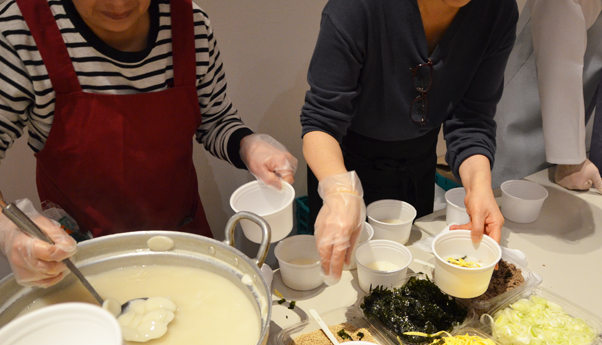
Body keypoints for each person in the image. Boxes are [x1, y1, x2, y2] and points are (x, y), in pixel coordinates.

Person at [0, 0, 297, 287]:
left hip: (182, 239)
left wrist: (248, 144)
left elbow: (214, 118)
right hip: (81, 257)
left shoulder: (190, 24)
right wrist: (7, 230)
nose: (119, 5)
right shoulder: (21, 29)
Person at [300, 0, 518, 284]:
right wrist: (340, 191)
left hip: (417, 168)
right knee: (338, 285)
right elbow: (320, 122)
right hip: (342, 169)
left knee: (410, 277)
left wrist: (479, 188)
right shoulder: (357, 7)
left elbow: (472, 120)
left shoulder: (496, 10)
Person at [491, 0, 602, 192]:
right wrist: (570, 161)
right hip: (540, 91)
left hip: (584, 96)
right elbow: (559, 44)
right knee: (516, 198)